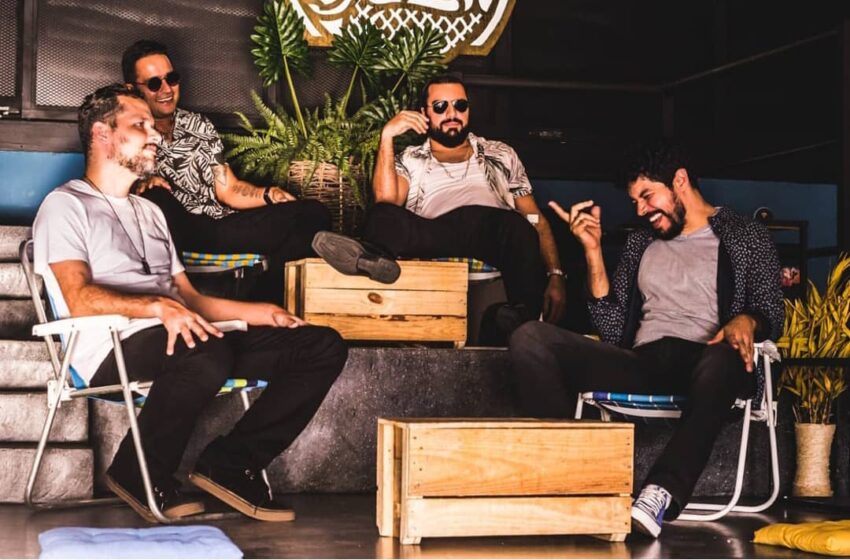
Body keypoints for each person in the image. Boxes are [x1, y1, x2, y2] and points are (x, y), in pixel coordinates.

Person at [33, 84, 348, 523]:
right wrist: (158, 309)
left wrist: (259, 313)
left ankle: (232, 463)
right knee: (203, 350)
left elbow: (189, 299)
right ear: (103, 134)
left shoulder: (150, 212)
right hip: (108, 346)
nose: (155, 135)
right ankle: (137, 471)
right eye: (140, 125)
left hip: (186, 337)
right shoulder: (66, 205)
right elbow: (79, 297)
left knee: (320, 346)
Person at [508, 141, 783, 538]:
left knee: (722, 358)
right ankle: (569, 477)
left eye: (647, 196)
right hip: (645, 361)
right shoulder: (641, 243)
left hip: (710, 362)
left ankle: (661, 492)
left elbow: (771, 310)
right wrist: (592, 251)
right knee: (530, 338)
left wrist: (748, 319)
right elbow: (613, 328)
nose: (640, 210)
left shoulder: (745, 235)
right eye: (635, 201)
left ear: (680, 181)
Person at [313, 74, 566, 333]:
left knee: (520, 225)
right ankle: (367, 261)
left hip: (492, 231)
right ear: (425, 113)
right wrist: (387, 136)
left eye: (460, 105)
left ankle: (520, 318)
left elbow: (536, 220)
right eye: (440, 106)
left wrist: (555, 275)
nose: (451, 113)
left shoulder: (500, 153)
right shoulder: (411, 158)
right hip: (433, 233)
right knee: (383, 216)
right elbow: (386, 201)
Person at [120, 40, 332, 304]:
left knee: (312, 213)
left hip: (219, 227)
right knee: (155, 198)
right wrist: (137, 182)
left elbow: (228, 189)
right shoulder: (127, 131)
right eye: (154, 83)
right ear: (132, 89)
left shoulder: (198, 124)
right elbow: (108, 183)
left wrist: (269, 194)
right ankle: (190, 300)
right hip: (179, 229)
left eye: (171, 79)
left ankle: (265, 298)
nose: (166, 89)